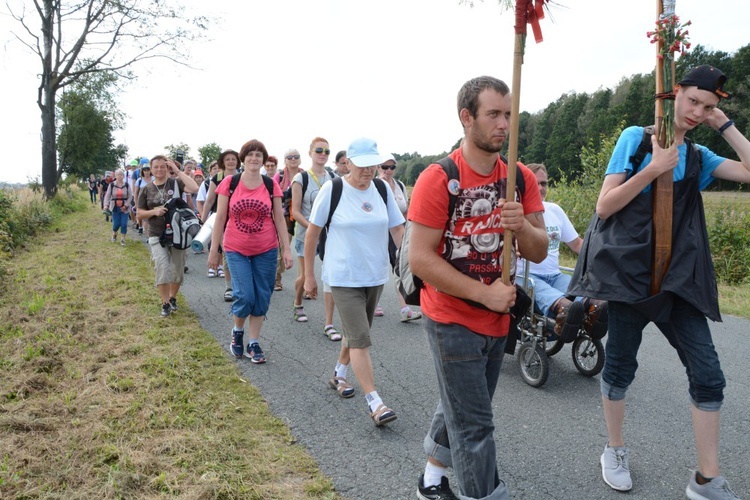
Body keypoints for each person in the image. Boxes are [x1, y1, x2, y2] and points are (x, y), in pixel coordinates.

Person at [568, 66, 749, 499]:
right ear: (674, 94)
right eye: (694, 102)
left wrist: (723, 124)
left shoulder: (701, 157)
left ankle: (707, 479)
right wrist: (654, 168)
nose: (698, 111)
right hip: (629, 276)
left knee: (708, 375)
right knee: (621, 367)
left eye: (708, 107)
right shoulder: (636, 138)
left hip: (678, 280)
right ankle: (614, 449)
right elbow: (605, 205)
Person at [409, 76, 547, 499]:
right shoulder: (439, 179)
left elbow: (540, 251)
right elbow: (420, 258)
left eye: (508, 115)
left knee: (462, 405)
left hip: (498, 317)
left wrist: (520, 223)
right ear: (466, 118)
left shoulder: (520, 179)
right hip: (451, 317)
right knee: (476, 425)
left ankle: (431, 479)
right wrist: (483, 293)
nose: (504, 124)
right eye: (493, 114)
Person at [303, 137, 405, 425]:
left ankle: (339, 374)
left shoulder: (382, 189)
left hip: (374, 275)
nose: (369, 171)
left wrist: (409, 264)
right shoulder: (333, 190)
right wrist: (309, 275)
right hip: (343, 276)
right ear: (347, 163)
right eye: (362, 165)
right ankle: (375, 402)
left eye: (373, 164)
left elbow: (397, 228)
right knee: (360, 338)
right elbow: (312, 233)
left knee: (355, 332)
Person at [208, 139, 293, 363]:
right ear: (243, 159)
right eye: (250, 155)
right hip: (235, 248)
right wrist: (214, 250)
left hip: (266, 248)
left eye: (258, 155)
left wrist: (286, 249)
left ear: (263, 160)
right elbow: (220, 218)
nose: (254, 158)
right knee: (245, 295)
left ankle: (254, 342)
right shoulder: (230, 183)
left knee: (262, 296)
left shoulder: (270, 185)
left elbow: (279, 219)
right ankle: (237, 332)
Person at [516, 163, 608, 343]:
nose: (541, 188)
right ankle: (564, 309)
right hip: (525, 275)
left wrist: (601, 258)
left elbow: (576, 243)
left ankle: (594, 312)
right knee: (551, 295)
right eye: (536, 183)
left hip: (554, 274)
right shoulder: (517, 212)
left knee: (582, 291)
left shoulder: (554, 210)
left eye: (544, 183)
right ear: (525, 185)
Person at [136, 155, 199, 317]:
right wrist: (154, 212)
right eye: (155, 167)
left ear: (167, 167)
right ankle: (164, 303)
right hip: (157, 233)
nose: (159, 169)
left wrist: (178, 171)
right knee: (162, 267)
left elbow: (194, 188)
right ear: (150, 169)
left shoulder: (175, 183)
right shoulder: (146, 189)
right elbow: (139, 214)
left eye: (162, 166)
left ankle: (172, 298)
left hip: (178, 234)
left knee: (177, 271)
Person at [291, 137, 340, 341]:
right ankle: (297, 303)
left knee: (329, 278)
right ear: (310, 153)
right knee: (305, 276)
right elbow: (295, 210)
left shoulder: (333, 178)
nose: (323, 154)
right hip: (306, 234)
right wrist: (313, 228)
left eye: (327, 152)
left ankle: (329, 323)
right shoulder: (301, 179)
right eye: (319, 150)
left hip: (330, 236)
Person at [376, 154, 422, 322]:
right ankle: (374, 303)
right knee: (379, 266)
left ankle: (405, 308)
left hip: (398, 231)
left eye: (392, 167)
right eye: (384, 167)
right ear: (378, 167)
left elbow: (405, 210)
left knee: (400, 267)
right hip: (380, 232)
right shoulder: (375, 186)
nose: (388, 170)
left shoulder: (400, 185)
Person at [202, 150, 241, 297]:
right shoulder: (216, 178)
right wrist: (203, 221)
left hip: (240, 220)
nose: (231, 162)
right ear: (222, 162)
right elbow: (210, 200)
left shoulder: (243, 177)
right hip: (222, 220)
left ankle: (241, 284)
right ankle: (229, 287)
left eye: (233, 159)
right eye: (227, 159)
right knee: (227, 251)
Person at [103, 168, 134, 246]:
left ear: (123, 176)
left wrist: (126, 205)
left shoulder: (127, 185)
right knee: (116, 224)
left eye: (121, 175)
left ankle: (122, 239)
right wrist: (106, 205)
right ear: (115, 176)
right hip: (115, 207)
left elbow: (130, 196)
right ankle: (114, 233)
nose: (120, 176)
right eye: (118, 175)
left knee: (124, 224)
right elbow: (107, 196)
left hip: (125, 207)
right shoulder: (112, 185)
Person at [134, 163, 152, 235]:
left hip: (152, 201)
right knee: (142, 217)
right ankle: (141, 227)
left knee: (149, 218)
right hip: (142, 201)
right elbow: (136, 193)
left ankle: (148, 234)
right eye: (145, 170)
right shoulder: (139, 180)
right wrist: (136, 203)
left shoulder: (154, 179)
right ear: (142, 171)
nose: (147, 172)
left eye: (148, 170)